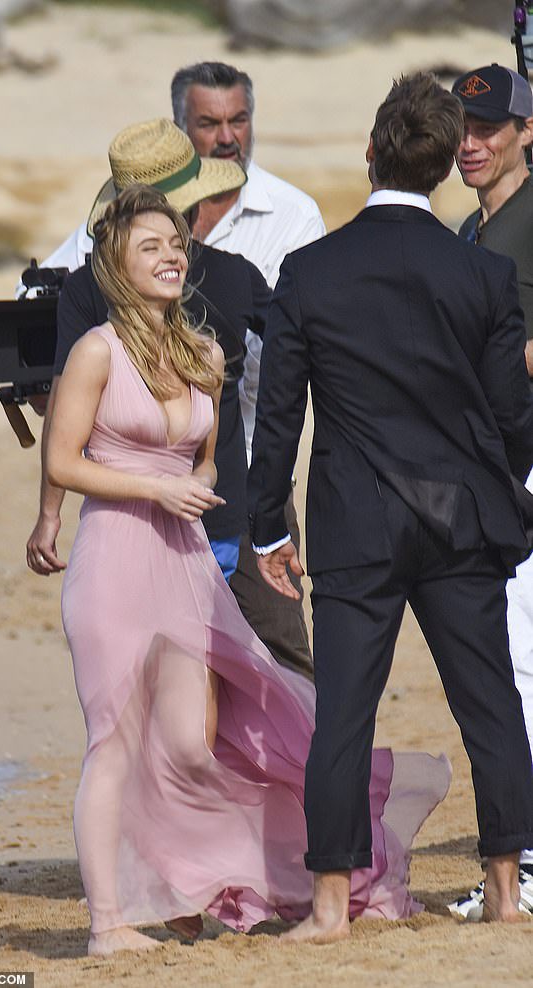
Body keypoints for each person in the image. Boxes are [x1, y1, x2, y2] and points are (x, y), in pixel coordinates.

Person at [46, 182, 451, 956]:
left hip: (186, 565)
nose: (169, 258)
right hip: (114, 566)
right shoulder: (96, 349)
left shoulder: (202, 352)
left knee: (192, 746)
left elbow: (203, 462)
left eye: (175, 244)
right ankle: (106, 925)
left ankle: (196, 879)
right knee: (114, 742)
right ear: (114, 266)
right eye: (149, 248)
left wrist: (192, 492)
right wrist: (154, 485)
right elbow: (65, 462)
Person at [248, 72, 533, 942]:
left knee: (343, 712)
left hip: (354, 522)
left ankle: (331, 907)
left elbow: (279, 414)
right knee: (489, 704)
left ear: (369, 154)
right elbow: (511, 418)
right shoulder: (482, 271)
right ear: (449, 165)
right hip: (460, 521)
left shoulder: (309, 269)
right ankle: (508, 892)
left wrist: (269, 527)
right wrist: (496, 490)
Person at [25, 119, 272, 590]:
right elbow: (297, 350)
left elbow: (58, 404)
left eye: (173, 246)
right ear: (196, 200)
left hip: (143, 525)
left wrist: (49, 513)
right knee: (264, 652)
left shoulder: (83, 286)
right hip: (217, 519)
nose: (171, 259)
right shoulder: (239, 278)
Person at [171, 61, 326, 677]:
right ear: (181, 127)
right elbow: (48, 294)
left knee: (280, 648)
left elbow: (309, 342)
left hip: (257, 470)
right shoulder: (134, 219)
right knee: (171, 661)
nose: (227, 137)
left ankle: (312, 774)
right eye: (209, 123)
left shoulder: (294, 215)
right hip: (151, 483)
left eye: (239, 120)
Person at [447, 62, 533, 919]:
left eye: (487, 130)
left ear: (525, 132)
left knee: (523, 661)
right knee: (511, 660)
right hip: (494, 472)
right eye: (461, 130)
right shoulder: (466, 239)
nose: (470, 145)